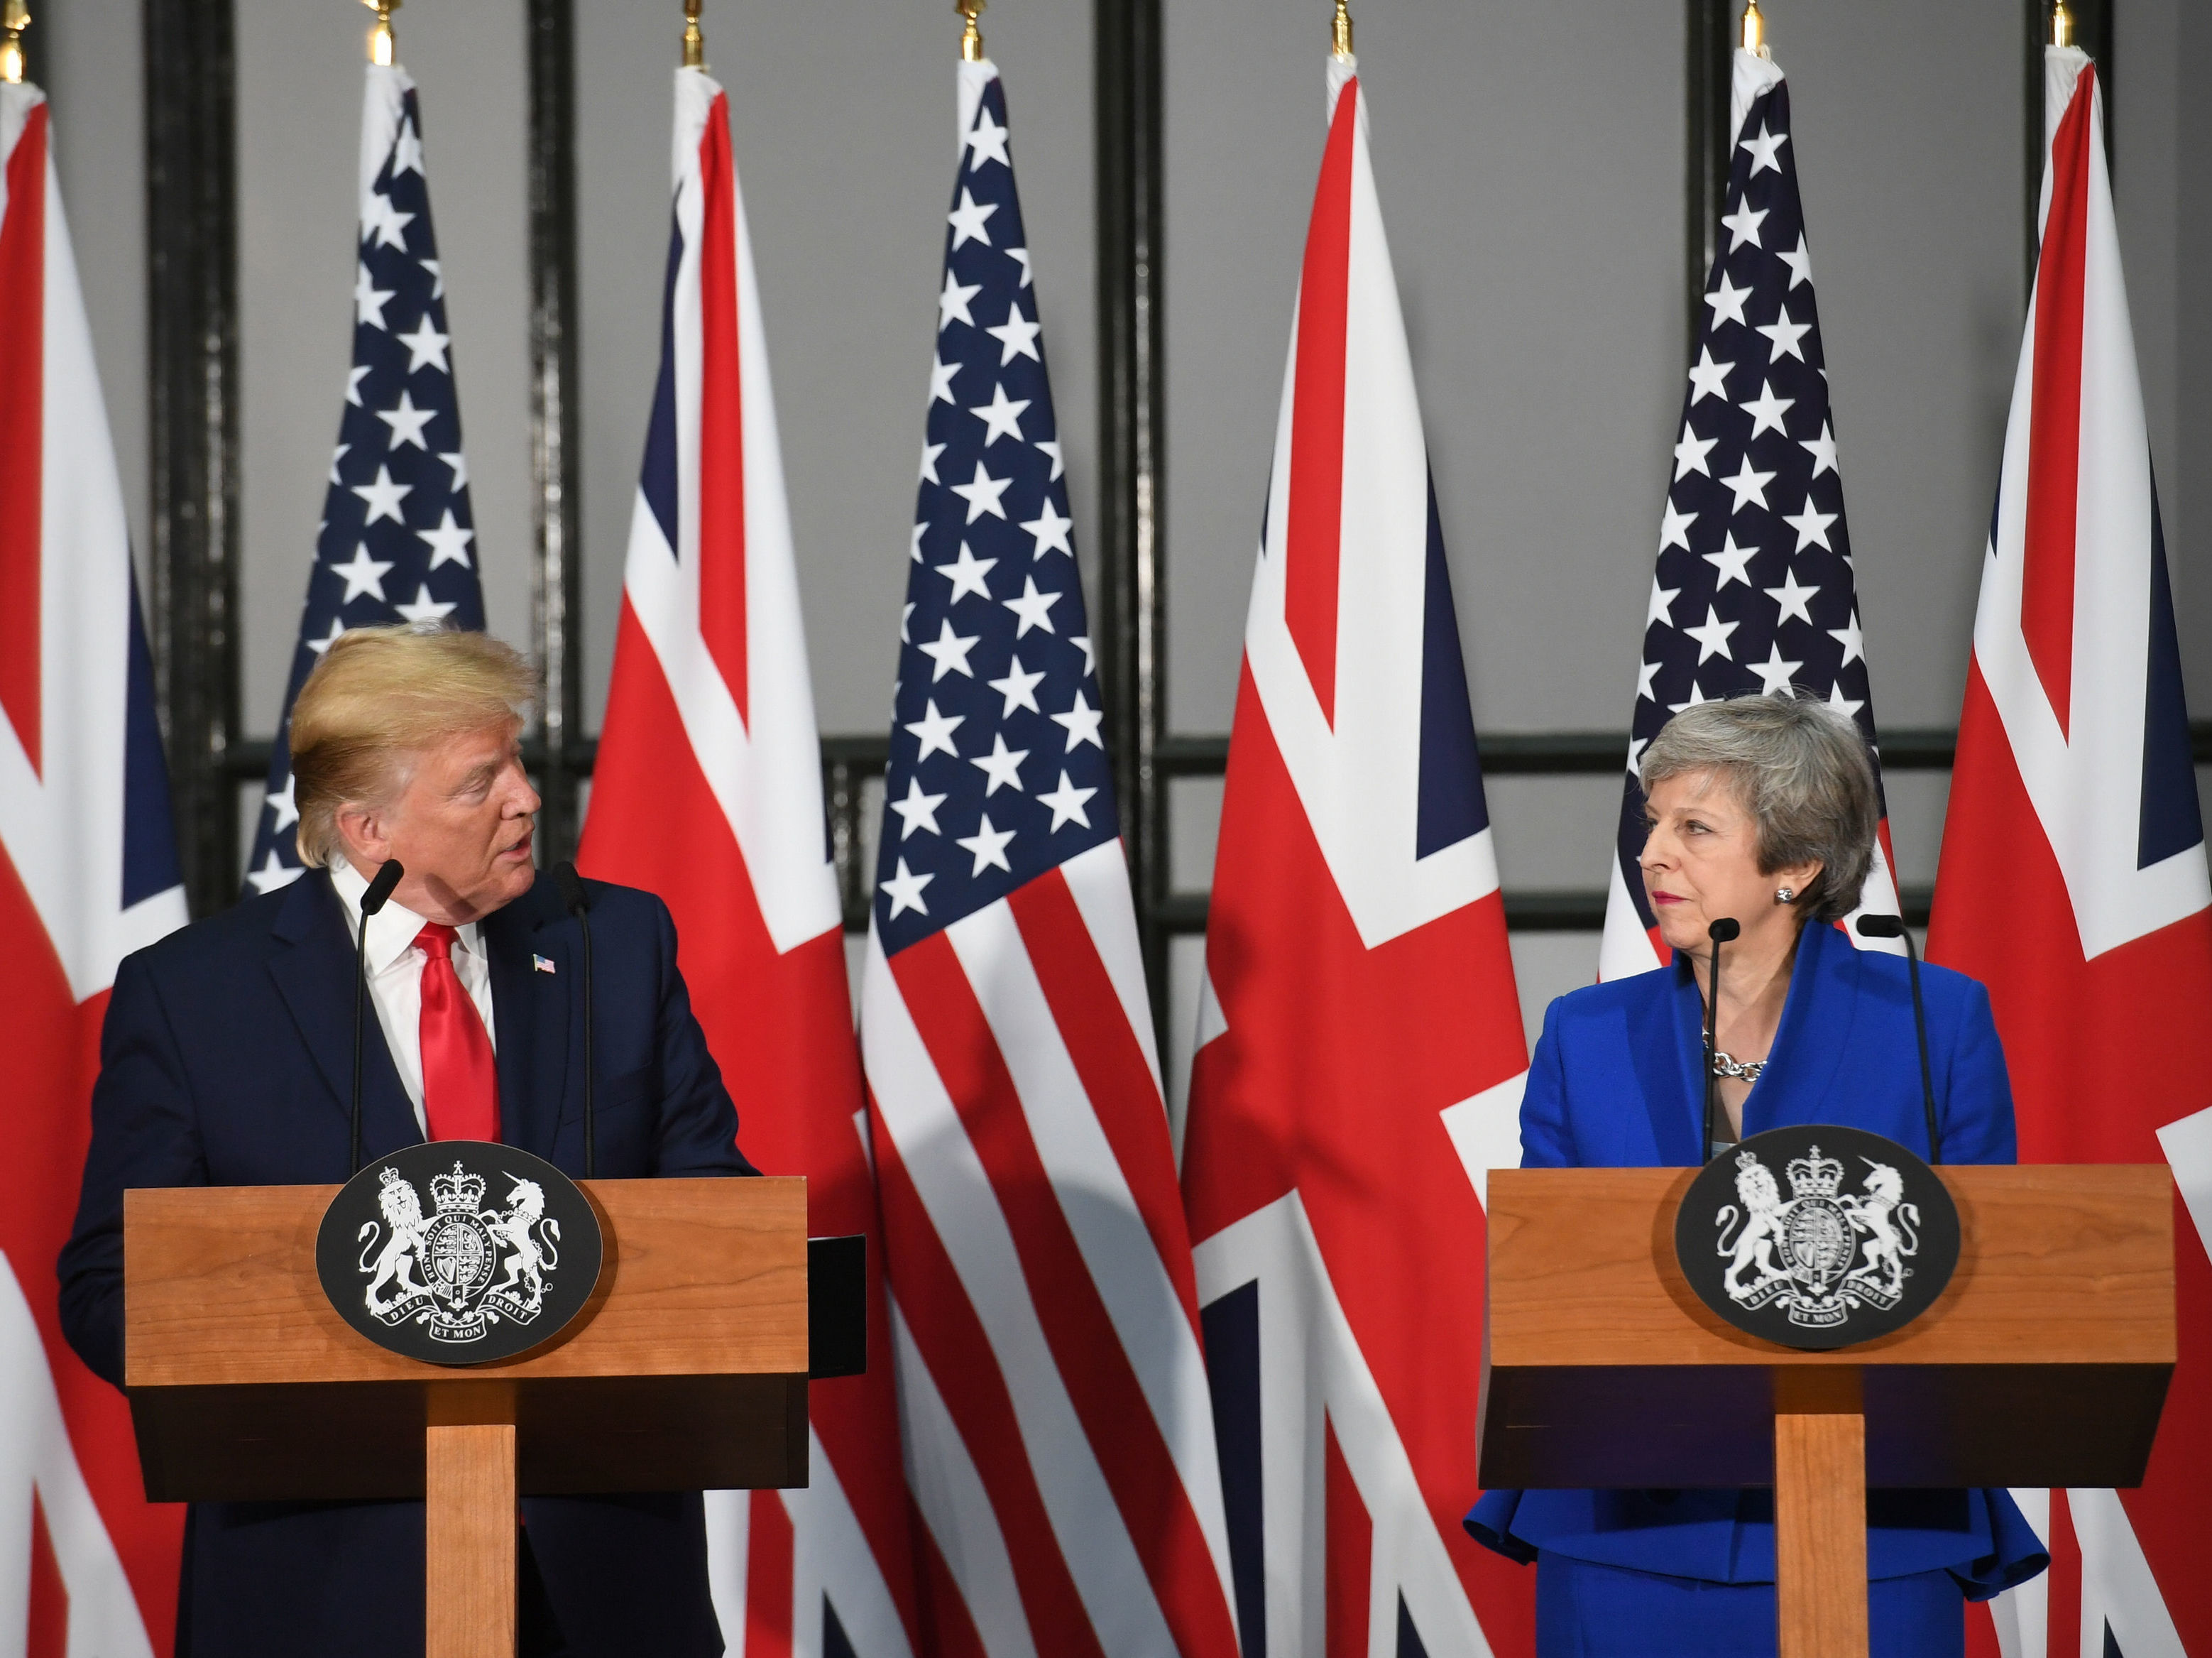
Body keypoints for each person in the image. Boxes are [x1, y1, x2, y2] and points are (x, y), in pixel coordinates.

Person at [58, 623, 750, 1658]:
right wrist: (287, 1380)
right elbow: (110, 1284)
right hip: (324, 1591)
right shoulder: (196, 996)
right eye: (481, 782)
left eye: (517, 759)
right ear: (367, 828)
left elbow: (718, 1229)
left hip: (599, 1586)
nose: (526, 797)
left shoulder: (617, 946)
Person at [1464, 695, 2047, 1657]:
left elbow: (1997, 1270)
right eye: (1653, 823)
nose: (1652, 854)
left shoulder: (1932, 1023)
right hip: (1627, 1536)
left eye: (1693, 828)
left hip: (1877, 1529)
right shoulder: (1588, 1032)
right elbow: (1542, 1277)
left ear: (1797, 864)